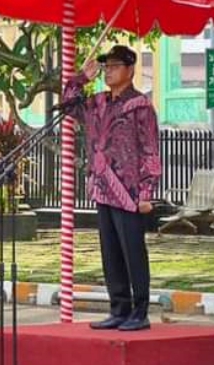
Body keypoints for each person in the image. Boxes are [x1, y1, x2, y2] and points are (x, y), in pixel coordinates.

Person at [63, 45, 161, 331]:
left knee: (133, 252)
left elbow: (150, 150)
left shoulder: (140, 105)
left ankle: (139, 311)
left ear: (130, 70)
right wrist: (81, 77)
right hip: (102, 187)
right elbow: (69, 107)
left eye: (115, 66)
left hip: (129, 191)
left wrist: (146, 193)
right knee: (110, 253)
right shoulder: (98, 103)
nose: (108, 71)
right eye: (106, 67)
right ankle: (119, 308)